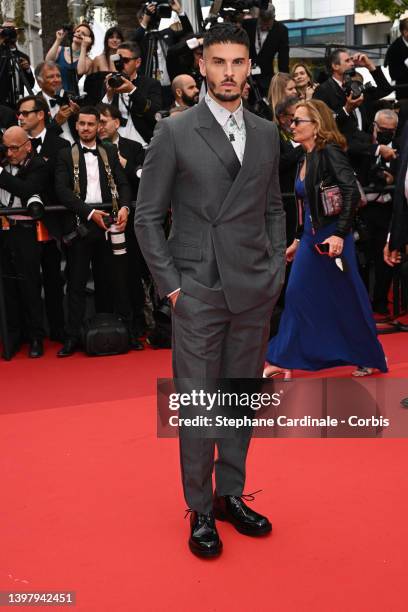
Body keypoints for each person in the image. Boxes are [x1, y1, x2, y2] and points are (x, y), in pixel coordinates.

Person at [135, 23, 286, 557]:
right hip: (198, 289)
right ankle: (200, 509)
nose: (228, 72)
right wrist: (172, 289)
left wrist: (274, 270)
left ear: (250, 68)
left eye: (238, 62)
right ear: (201, 65)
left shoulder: (267, 133)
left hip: (252, 289)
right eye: (218, 62)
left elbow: (273, 206)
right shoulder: (174, 131)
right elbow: (148, 219)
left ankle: (230, 494)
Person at [264, 99, 388, 378]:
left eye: (298, 121)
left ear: (316, 125)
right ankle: (283, 358)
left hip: (332, 238)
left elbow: (351, 194)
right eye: (292, 120)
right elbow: (305, 206)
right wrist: (297, 240)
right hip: (310, 239)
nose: (291, 125)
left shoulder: (330, 152)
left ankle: (368, 354)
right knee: (297, 295)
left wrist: (340, 235)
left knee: (347, 298)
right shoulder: (303, 157)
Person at [55, 107, 133, 357]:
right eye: (82, 124)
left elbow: (123, 182)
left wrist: (124, 208)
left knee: (111, 282)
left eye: (91, 124)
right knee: (76, 284)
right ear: (75, 127)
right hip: (82, 226)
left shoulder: (109, 151)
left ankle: (112, 333)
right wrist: (90, 213)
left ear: (98, 126)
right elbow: (62, 191)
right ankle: (72, 337)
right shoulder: (65, 154)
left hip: (109, 226)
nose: (87, 128)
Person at [17, 95, 69, 343]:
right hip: (21, 223)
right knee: (27, 282)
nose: (21, 117)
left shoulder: (60, 145)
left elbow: (59, 183)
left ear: (41, 114)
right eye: (20, 113)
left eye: (26, 113)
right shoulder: (13, 145)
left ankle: (58, 329)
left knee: (53, 279)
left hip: (52, 220)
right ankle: (31, 333)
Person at [0, 126, 48, 357]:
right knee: (6, 287)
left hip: (26, 231)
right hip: (3, 231)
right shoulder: (3, 160)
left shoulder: (38, 164)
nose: (9, 153)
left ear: (27, 146)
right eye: (5, 147)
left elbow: (27, 189)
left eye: (14, 148)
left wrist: (0, 175)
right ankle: (12, 336)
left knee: (29, 285)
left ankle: (36, 337)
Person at [102, 41, 162, 145]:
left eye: (125, 60)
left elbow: (155, 114)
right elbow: (100, 115)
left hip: (142, 141)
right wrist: (109, 95)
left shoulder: (151, 84)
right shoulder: (110, 81)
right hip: (114, 142)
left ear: (138, 62)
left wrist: (132, 90)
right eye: (117, 60)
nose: (120, 65)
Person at [242, 5, 289, 97]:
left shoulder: (281, 30)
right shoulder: (247, 25)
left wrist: (284, 82)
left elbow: (283, 59)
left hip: (267, 80)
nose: (264, 26)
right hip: (246, 78)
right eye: (262, 22)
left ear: (273, 18)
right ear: (258, 16)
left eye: (268, 23)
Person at [34, 60, 79, 144]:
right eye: (51, 77)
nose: (56, 80)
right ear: (39, 82)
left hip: (76, 147)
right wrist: (56, 122)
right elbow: (38, 137)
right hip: (52, 151)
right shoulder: (35, 104)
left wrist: (78, 114)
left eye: (58, 76)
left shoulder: (70, 97)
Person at [45, 23, 94, 93]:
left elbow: (80, 71)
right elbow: (48, 61)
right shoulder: (60, 49)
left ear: (88, 39)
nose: (79, 34)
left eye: (83, 34)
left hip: (71, 97)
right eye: (77, 31)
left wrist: (84, 46)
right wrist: (58, 40)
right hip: (53, 93)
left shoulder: (87, 60)